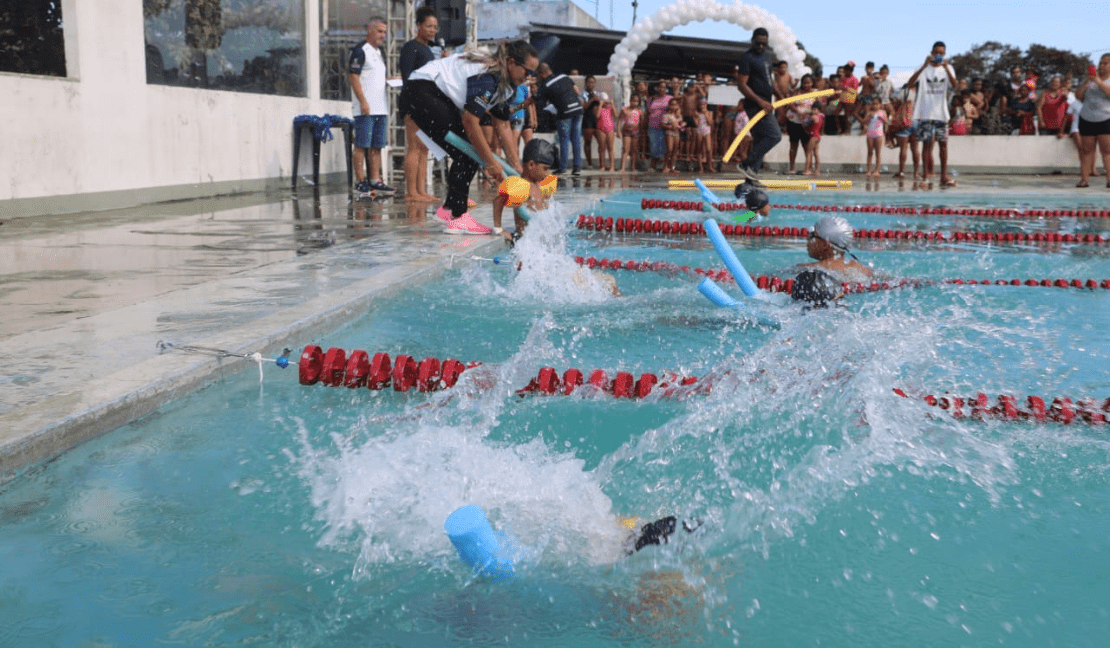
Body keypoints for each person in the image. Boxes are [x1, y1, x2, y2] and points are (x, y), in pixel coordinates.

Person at [401, 40, 539, 234]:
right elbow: (470, 120)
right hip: (421, 90)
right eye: (528, 71)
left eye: (533, 74)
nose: (529, 78)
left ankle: (448, 210)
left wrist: (516, 167)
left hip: (430, 93)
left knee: (471, 153)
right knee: (467, 153)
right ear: (511, 63)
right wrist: (491, 163)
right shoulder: (488, 76)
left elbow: (503, 124)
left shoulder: (508, 86)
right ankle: (458, 217)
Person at [349, 17, 395, 196]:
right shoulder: (361, 51)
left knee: (377, 145)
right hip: (365, 108)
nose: (382, 35)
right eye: (379, 31)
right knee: (361, 144)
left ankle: (375, 179)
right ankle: (360, 180)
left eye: (384, 32)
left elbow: (373, 78)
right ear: (370, 30)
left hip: (380, 107)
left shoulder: (378, 52)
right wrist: (362, 101)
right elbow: (354, 76)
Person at [399, 7, 439, 203]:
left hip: (427, 103)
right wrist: (414, 103)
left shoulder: (429, 50)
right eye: (429, 26)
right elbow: (407, 78)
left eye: (435, 27)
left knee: (424, 148)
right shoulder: (410, 48)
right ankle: (411, 192)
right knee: (414, 147)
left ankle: (421, 191)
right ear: (418, 26)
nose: (432, 30)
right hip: (413, 102)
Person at [907, 41, 958, 187]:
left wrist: (947, 68)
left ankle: (943, 176)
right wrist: (924, 66)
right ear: (931, 52)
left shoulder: (948, 68)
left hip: (941, 113)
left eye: (942, 53)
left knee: (943, 144)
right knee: (926, 146)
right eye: (936, 52)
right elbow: (910, 84)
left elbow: (955, 86)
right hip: (925, 113)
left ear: (945, 54)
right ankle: (925, 177)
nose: (938, 55)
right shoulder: (923, 68)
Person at [733, 27, 781, 181]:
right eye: (758, 43)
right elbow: (742, 85)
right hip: (755, 105)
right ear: (752, 40)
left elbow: (769, 79)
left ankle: (751, 178)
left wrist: (780, 96)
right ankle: (746, 164)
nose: (760, 47)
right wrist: (760, 101)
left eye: (763, 44)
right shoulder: (747, 58)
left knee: (761, 140)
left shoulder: (767, 56)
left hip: (766, 104)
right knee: (774, 136)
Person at [492, 138, 554, 241]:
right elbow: (498, 200)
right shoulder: (521, 186)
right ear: (531, 165)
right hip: (524, 240)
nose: (547, 174)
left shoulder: (540, 185)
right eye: (545, 169)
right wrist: (498, 229)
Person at [533, 63, 583, 175]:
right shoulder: (564, 76)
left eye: (539, 74)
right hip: (578, 109)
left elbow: (538, 100)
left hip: (564, 112)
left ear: (542, 73)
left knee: (564, 140)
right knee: (576, 139)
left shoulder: (546, 84)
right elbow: (577, 91)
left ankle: (563, 167)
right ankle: (577, 168)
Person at [799, 216, 872, 282]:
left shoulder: (809, 269)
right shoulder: (863, 269)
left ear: (825, 244)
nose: (808, 238)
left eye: (812, 235)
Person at [1075, 53, 1110, 188]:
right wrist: (1086, 83)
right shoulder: (1090, 80)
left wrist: (1098, 81)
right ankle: (1084, 179)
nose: (1102, 65)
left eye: (1106, 63)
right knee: (1087, 151)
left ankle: (1109, 180)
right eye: (1101, 62)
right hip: (1087, 118)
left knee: (1107, 151)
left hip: (1105, 118)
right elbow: (1078, 96)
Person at [785, 74, 815, 174]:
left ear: (812, 83)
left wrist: (809, 114)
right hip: (794, 121)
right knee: (793, 146)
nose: (806, 85)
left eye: (809, 82)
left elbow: (819, 106)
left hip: (806, 123)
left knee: (806, 146)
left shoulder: (815, 93)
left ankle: (808, 168)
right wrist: (798, 111)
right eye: (805, 82)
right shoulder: (796, 92)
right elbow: (790, 104)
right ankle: (792, 168)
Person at [646, 81, 673, 172]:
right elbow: (648, 112)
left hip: (665, 126)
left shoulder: (670, 98)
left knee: (666, 147)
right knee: (653, 146)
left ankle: (666, 166)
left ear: (666, 89)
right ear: (657, 88)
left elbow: (674, 109)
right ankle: (653, 166)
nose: (662, 89)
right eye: (660, 87)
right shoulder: (652, 99)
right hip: (653, 125)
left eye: (664, 87)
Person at [617, 94, 643, 172]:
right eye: (633, 101)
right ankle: (623, 167)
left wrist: (641, 130)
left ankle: (633, 167)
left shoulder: (639, 111)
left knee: (634, 149)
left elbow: (641, 121)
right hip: (627, 131)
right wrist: (618, 131)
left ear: (638, 102)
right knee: (626, 149)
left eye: (636, 101)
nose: (634, 103)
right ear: (630, 101)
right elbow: (619, 120)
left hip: (636, 132)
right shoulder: (625, 110)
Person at [579, 75, 600, 171]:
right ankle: (589, 163)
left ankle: (602, 164)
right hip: (587, 120)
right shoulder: (582, 94)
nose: (591, 84)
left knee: (602, 142)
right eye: (589, 82)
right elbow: (584, 107)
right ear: (586, 83)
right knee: (588, 142)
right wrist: (592, 100)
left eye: (592, 82)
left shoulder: (597, 93)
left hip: (598, 120)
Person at [864, 99, 887, 177]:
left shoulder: (883, 112)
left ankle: (877, 170)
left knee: (878, 152)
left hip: (879, 134)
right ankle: (868, 170)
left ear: (880, 104)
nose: (875, 106)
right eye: (873, 104)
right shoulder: (870, 113)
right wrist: (868, 117)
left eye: (877, 104)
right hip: (870, 134)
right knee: (870, 152)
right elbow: (864, 122)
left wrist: (882, 118)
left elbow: (887, 122)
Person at [595, 92, 616, 171]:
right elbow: (597, 116)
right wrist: (600, 105)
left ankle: (612, 166)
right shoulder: (598, 108)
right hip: (601, 129)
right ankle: (602, 166)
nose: (605, 102)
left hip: (610, 129)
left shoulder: (609, 108)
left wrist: (612, 104)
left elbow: (616, 115)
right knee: (602, 148)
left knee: (610, 148)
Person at [803, 102, 823, 175]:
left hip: (813, 136)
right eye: (812, 109)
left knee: (808, 153)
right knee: (816, 154)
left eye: (815, 109)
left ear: (819, 110)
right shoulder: (821, 116)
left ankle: (807, 170)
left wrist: (806, 117)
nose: (813, 111)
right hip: (817, 136)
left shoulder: (813, 117)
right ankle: (817, 170)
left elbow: (805, 124)